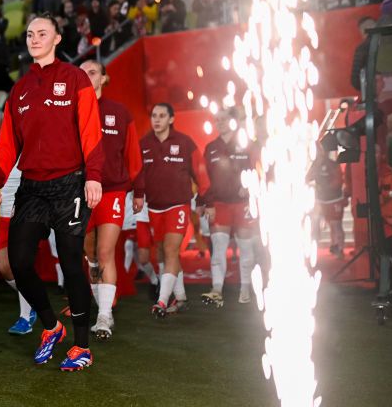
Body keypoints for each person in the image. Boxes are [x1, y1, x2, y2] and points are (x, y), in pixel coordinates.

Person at [0, 13, 104, 372]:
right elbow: (7, 145)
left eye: (42, 34)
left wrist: (93, 176)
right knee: (19, 262)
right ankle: (51, 326)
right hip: (32, 187)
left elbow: (90, 131)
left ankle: (81, 346)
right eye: (31, 34)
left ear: (56, 39)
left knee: (70, 263)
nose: (35, 39)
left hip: (71, 184)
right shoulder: (20, 90)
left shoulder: (75, 77)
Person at [80, 61, 141, 340]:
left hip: (113, 191)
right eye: (81, 72)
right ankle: (100, 297)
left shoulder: (120, 112)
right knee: (90, 253)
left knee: (105, 251)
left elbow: (133, 155)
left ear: (104, 78)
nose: (86, 76)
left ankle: (105, 315)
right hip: (79, 191)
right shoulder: (72, 110)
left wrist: (137, 190)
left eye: (92, 72)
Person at [134, 103, 210, 318]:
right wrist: (138, 194)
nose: (156, 120)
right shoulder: (144, 144)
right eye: (153, 116)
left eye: (161, 116)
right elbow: (137, 174)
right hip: (154, 206)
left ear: (171, 119)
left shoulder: (185, 143)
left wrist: (204, 197)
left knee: (170, 249)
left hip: (178, 204)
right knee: (162, 252)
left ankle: (161, 301)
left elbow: (200, 171)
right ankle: (181, 296)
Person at [201, 109, 258, 307]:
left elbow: (259, 170)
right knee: (218, 249)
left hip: (243, 204)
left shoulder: (247, 145)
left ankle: (245, 288)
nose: (220, 123)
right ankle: (217, 289)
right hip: (219, 204)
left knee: (246, 247)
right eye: (217, 120)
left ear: (233, 122)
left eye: (224, 119)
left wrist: (249, 187)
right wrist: (207, 203)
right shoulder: (211, 148)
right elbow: (204, 177)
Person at [0, 163, 37, 334]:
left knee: (19, 267)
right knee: (5, 270)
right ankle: (35, 300)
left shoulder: (28, 153)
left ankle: (25, 317)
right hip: (4, 216)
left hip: (24, 215)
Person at [308, 144, 348, 258]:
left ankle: (339, 247)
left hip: (334, 199)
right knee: (329, 224)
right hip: (322, 200)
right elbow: (308, 177)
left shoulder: (332, 164)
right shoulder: (314, 165)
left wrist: (325, 187)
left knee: (336, 224)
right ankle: (334, 245)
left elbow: (338, 181)